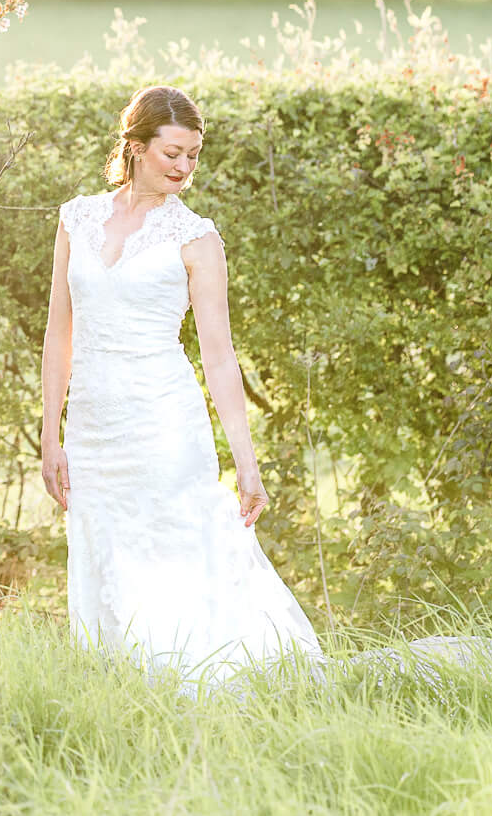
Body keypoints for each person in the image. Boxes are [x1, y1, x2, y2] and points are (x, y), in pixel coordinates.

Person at [40, 84, 322, 689]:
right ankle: (118, 690)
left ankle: (198, 686)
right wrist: (50, 436)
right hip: (92, 429)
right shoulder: (76, 218)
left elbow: (219, 358)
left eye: (194, 155)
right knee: (102, 551)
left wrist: (246, 463)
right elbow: (57, 333)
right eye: (173, 152)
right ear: (135, 146)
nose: (185, 167)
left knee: (173, 555)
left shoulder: (197, 238)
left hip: (165, 423)